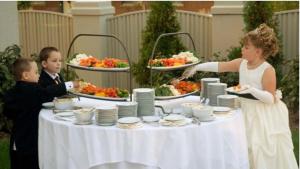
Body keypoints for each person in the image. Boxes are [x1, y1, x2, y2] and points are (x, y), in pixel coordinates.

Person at [179, 23, 298, 169]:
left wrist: (251, 90)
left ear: (258, 52)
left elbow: (270, 98)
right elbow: (221, 66)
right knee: (242, 147)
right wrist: (198, 67)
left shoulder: (267, 70)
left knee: (257, 147)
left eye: (246, 47)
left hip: (261, 114)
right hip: (244, 110)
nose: (242, 49)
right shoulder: (242, 63)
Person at [3, 58, 78, 169]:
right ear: (26, 75)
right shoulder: (31, 90)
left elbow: (8, 112)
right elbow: (48, 92)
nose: (39, 75)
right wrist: (70, 84)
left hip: (17, 139)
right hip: (28, 142)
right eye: (36, 72)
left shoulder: (12, 92)